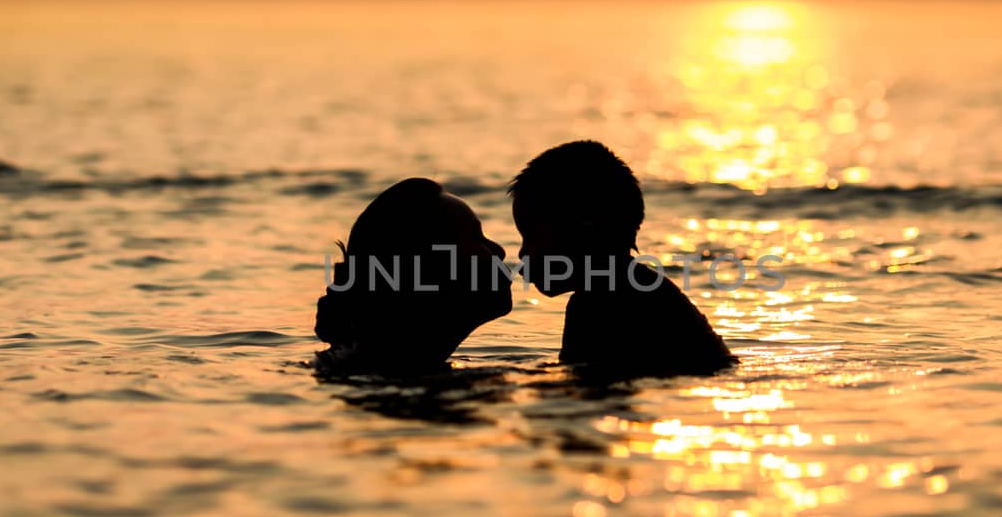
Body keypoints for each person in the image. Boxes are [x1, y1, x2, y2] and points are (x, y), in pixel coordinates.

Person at [509, 141, 735, 379]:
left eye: (531, 237)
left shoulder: (600, 302)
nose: (523, 253)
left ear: (585, 230)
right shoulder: (638, 286)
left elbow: (586, 388)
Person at [315, 178, 512, 374]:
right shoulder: (409, 382)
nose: (499, 250)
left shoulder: (369, 369)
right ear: (428, 270)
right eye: (475, 236)